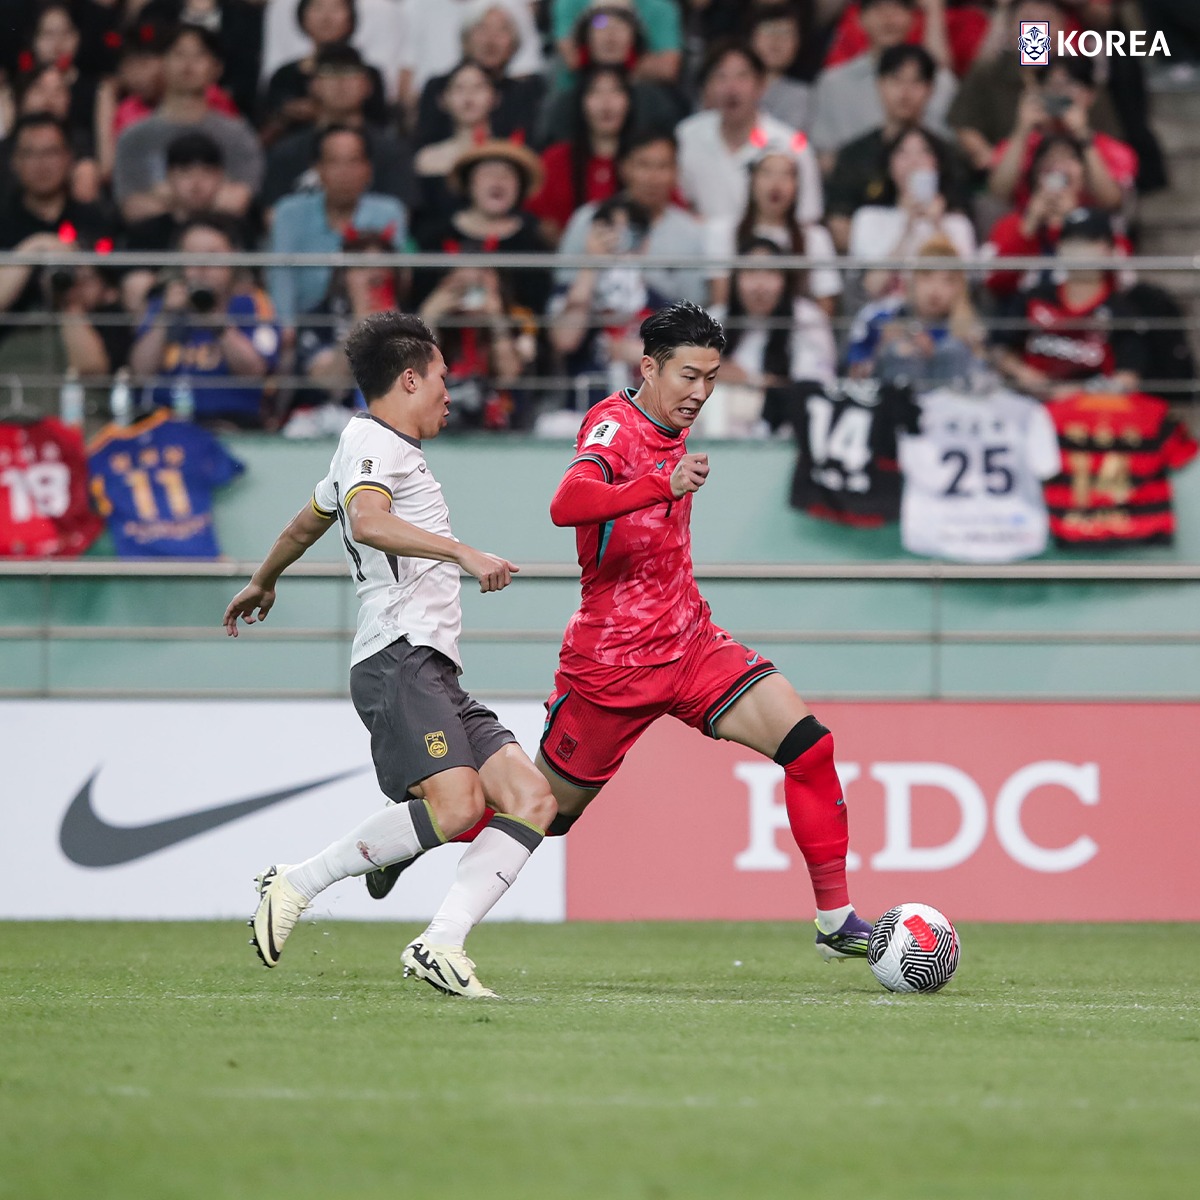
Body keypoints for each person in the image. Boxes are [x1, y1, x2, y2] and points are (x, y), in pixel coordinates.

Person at [368, 302, 873, 963]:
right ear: (649, 368)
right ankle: (413, 837)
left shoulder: (672, 427)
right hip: (614, 665)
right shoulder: (613, 425)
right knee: (546, 813)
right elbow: (567, 504)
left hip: (692, 644)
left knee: (810, 748)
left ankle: (835, 921)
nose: (700, 392)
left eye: (712, 378)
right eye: (688, 376)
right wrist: (661, 483)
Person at [222, 310, 556, 998]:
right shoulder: (373, 444)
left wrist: (266, 577)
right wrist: (464, 551)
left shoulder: (364, 450)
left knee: (531, 797)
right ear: (409, 378)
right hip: (397, 656)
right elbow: (367, 521)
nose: (447, 392)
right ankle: (298, 882)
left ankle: (441, 943)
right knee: (459, 808)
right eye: (440, 378)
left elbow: (310, 518)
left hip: (432, 665)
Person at [991, 207, 1190, 401]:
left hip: (1094, 413)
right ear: (1059, 248)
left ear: (1109, 250)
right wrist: (1022, 372)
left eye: (1090, 241)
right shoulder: (1033, 297)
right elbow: (999, 349)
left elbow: (1128, 378)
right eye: (1071, 241)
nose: (1078, 250)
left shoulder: (1123, 311)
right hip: (1031, 408)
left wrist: (1074, 392)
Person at [130, 214, 280, 428]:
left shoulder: (251, 304)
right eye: (192, 255)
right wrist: (165, 319)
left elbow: (256, 371)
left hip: (233, 425)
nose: (201, 266)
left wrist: (214, 320)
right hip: (165, 425)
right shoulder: (163, 305)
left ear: (233, 258)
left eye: (213, 255)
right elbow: (140, 371)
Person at [823, 43, 970, 254]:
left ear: (931, 89)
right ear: (879, 85)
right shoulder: (853, 155)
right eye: (896, 80)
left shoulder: (947, 154)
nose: (905, 92)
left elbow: (961, 222)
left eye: (916, 82)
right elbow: (839, 228)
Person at [112, 24, 263, 224]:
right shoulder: (134, 137)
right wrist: (204, 198)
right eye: (178, 54)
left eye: (199, 55)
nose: (188, 64)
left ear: (216, 68)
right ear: (161, 64)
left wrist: (168, 197)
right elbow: (133, 208)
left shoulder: (237, 134)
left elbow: (237, 201)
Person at [267, 124, 408, 333]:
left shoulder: (389, 212)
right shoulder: (288, 213)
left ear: (368, 169)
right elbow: (281, 275)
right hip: (305, 326)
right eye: (334, 162)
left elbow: (397, 279)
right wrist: (285, 328)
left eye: (353, 161)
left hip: (372, 327)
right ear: (317, 169)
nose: (345, 172)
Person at [675, 41, 822, 226]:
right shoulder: (686, 136)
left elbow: (807, 217)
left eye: (742, 76)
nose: (731, 88)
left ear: (761, 86)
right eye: (720, 77)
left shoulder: (792, 145)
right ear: (706, 88)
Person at [700, 237, 836, 438]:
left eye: (770, 273)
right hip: (722, 434)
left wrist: (749, 380)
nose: (760, 285)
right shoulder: (713, 320)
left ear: (785, 280)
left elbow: (817, 390)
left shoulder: (808, 320)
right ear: (736, 278)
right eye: (751, 273)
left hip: (788, 433)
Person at [554, 132, 707, 308]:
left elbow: (693, 306)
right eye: (643, 165)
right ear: (624, 168)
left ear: (676, 172)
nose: (653, 177)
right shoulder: (588, 219)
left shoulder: (690, 233)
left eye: (663, 166)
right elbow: (561, 291)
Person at [261, 43, 415, 212]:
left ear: (367, 86)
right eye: (329, 73)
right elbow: (272, 216)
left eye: (349, 73)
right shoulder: (286, 152)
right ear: (313, 86)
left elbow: (401, 216)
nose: (340, 82)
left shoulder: (392, 152)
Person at [807, 0, 958, 171]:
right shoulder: (832, 83)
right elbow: (822, 153)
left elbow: (950, 151)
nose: (888, 18)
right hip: (853, 187)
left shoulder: (941, 82)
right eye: (878, 9)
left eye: (897, 8)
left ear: (913, 18)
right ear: (859, 19)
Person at [412, 139, 551, 317]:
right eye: (488, 173)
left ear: (519, 187)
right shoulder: (433, 237)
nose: (498, 181)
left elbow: (538, 315)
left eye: (507, 175)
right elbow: (415, 304)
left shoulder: (535, 240)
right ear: (470, 183)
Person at [703, 140, 840, 312]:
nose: (776, 184)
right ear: (752, 181)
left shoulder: (815, 237)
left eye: (786, 175)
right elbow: (720, 303)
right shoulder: (723, 232)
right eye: (767, 173)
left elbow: (825, 305)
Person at [987, 56, 1135, 213]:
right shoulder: (1021, 145)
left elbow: (1111, 201)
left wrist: (1083, 136)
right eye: (1053, 86)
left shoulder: (1115, 151)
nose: (1059, 95)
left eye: (1068, 86)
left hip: (1087, 231)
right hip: (1030, 227)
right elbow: (998, 192)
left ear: (1090, 95)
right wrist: (1022, 129)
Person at [847, 126, 976, 300]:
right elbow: (871, 287)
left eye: (924, 152)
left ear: (937, 163)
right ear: (890, 164)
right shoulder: (868, 218)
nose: (914, 161)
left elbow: (965, 289)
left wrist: (937, 226)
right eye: (902, 153)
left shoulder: (958, 224)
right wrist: (908, 227)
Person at [845, 234, 982, 390]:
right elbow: (853, 373)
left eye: (947, 281)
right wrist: (881, 347)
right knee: (900, 351)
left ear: (959, 288)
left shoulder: (969, 331)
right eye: (927, 277)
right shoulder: (882, 318)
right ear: (912, 280)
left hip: (950, 406)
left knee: (953, 350)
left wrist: (935, 354)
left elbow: (983, 380)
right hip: (892, 404)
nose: (935, 289)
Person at [526, 65, 633, 247]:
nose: (606, 103)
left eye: (615, 92)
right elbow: (534, 220)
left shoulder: (646, 161)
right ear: (581, 102)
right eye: (595, 92)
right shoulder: (554, 160)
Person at [412, 1, 547, 146]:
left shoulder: (526, 92)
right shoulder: (438, 87)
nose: (491, 40)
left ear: (514, 43)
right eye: (482, 29)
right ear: (466, 37)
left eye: (502, 30)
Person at [260, 0, 388, 145]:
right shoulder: (284, 76)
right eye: (317, 8)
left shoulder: (368, 74)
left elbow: (380, 124)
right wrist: (287, 114)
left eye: (336, 8)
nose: (326, 17)